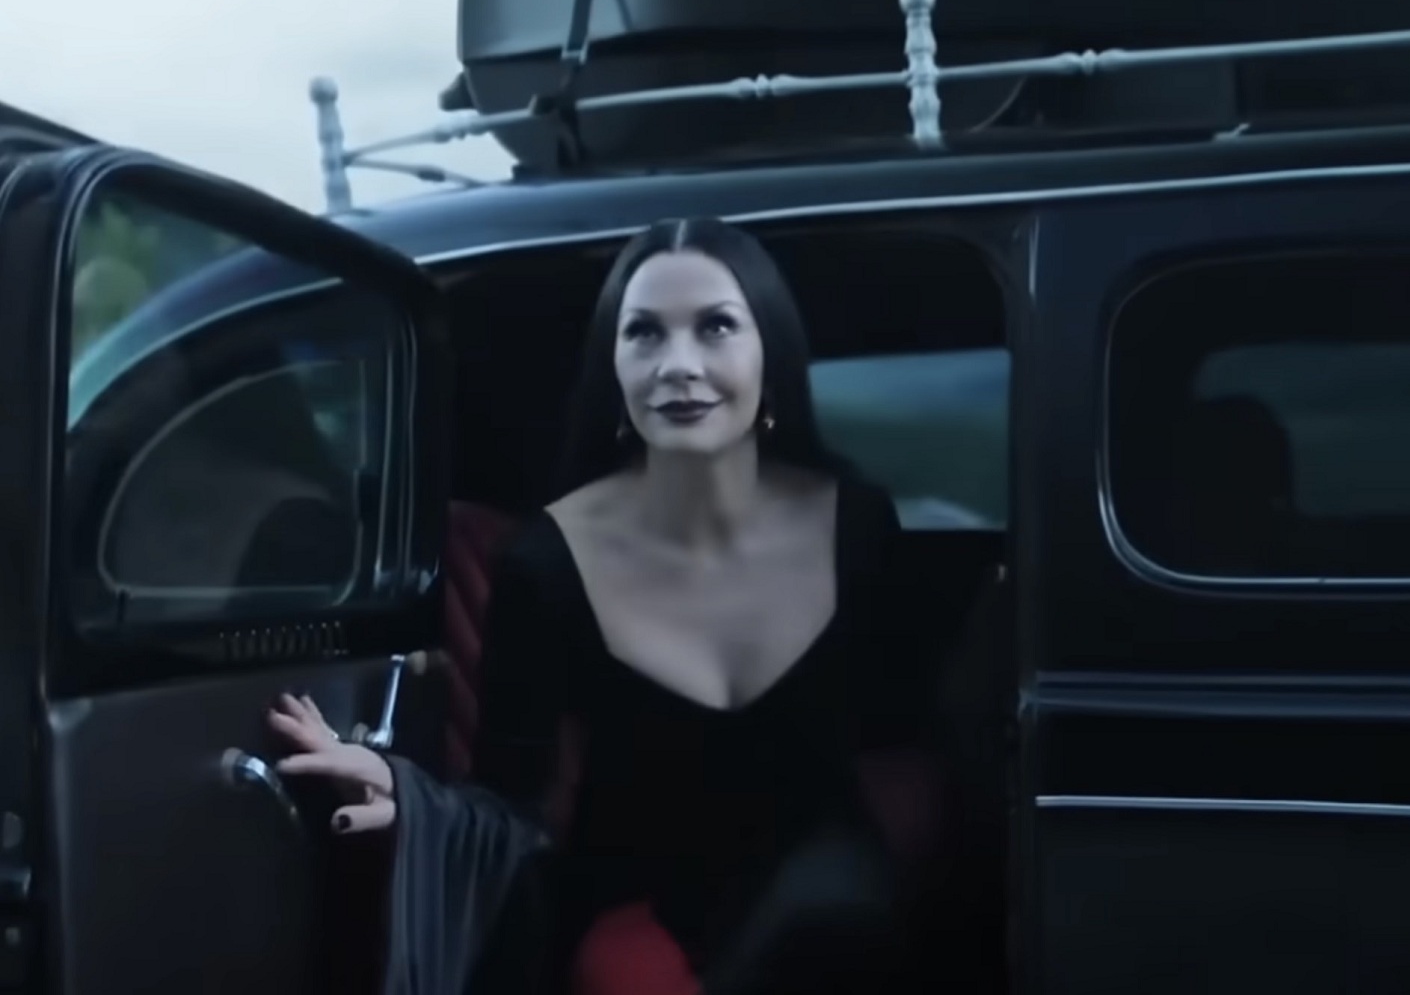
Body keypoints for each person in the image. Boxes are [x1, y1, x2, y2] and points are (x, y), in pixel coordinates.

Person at [268, 218, 929, 995]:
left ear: (770, 351)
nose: (678, 364)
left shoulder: (856, 525)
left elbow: (902, 752)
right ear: (613, 366)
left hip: (832, 910)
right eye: (643, 332)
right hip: (632, 908)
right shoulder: (550, 559)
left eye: (715, 326)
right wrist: (407, 800)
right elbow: (510, 801)